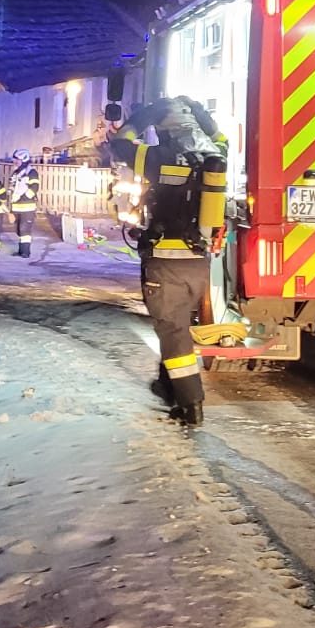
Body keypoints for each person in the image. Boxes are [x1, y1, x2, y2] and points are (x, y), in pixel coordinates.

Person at [110, 96, 228, 429]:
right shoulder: (216, 155)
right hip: (197, 264)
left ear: (165, 131)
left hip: (166, 263)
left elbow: (120, 143)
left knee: (174, 332)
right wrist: (201, 113)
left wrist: (146, 114)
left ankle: (191, 405)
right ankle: (168, 388)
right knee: (176, 325)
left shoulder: (158, 157)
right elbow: (219, 136)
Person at [9, 147, 39, 258]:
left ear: (23, 159)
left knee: (24, 230)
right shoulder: (16, 172)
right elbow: (13, 188)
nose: (15, 161)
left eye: (17, 159)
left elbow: (34, 188)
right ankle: (21, 250)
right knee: (19, 231)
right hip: (17, 207)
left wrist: (24, 198)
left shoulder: (31, 172)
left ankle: (25, 252)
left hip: (27, 207)